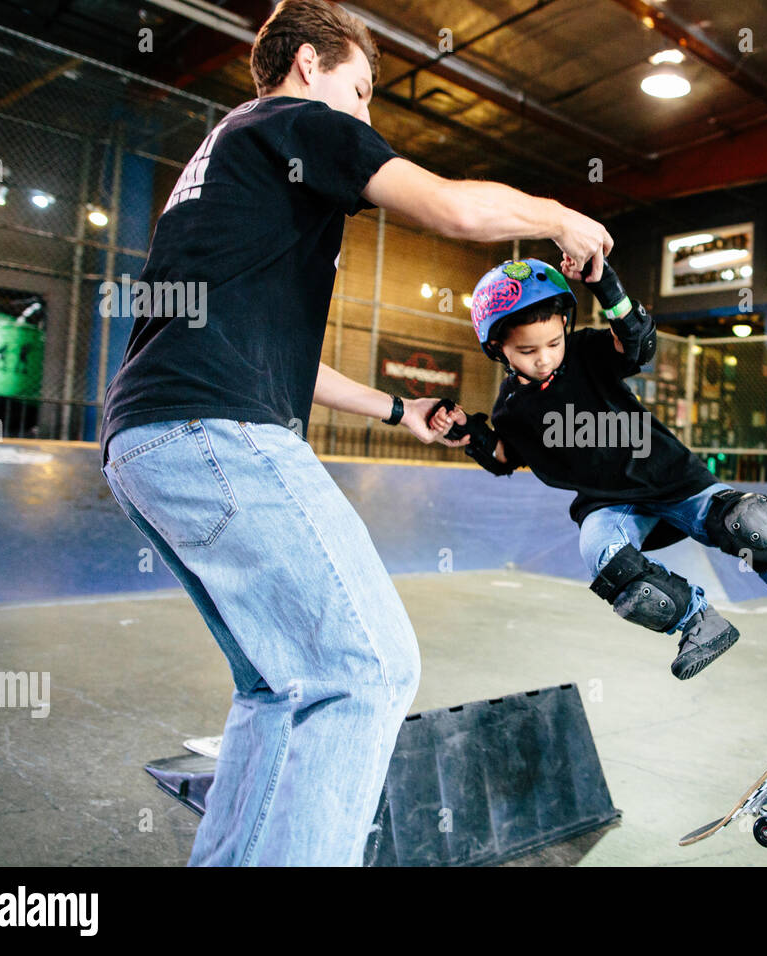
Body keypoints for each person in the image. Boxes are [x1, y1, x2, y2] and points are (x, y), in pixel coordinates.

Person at [98, 0, 612, 866]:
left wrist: (396, 411)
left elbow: (278, 361)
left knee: (280, 686)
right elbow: (446, 207)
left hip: (152, 441)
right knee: (365, 667)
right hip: (220, 434)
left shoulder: (224, 161)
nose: (367, 115)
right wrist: (556, 213)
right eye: (363, 89)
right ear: (308, 64)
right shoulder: (294, 119)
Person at [429, 255, 767, 680]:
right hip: (608, 502)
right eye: (527, 352)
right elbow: (505, 458)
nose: (544, 359)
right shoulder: (512, 406)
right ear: (497, 349)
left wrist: (605, 283)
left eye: (553, 343)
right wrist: (465, 433)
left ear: (565, 329)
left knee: (751, 523)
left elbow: (636, 342)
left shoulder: (589, 352)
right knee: (601, 552)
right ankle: (700, 621)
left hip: (670, 476)